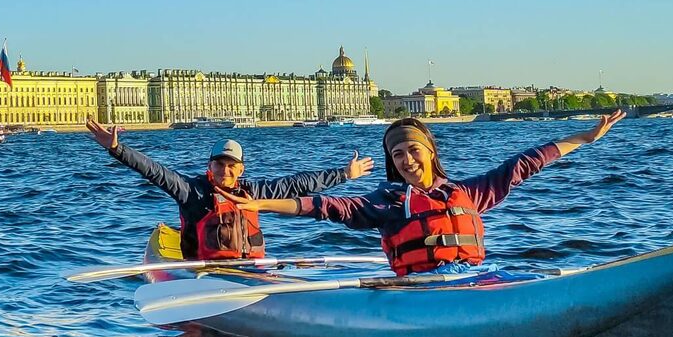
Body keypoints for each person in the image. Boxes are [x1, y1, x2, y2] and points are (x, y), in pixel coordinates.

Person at [238, 111, 625, 276]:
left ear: (430, 151)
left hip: (472, 278)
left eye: (413, 150)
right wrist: (261, 203)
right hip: (423, 289)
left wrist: (585, 137)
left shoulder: (467, 193)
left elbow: (525, 163)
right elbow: (328, 206)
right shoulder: (389, 201)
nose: (407, 159)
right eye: (398, 154)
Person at [85, 116, 375, 260]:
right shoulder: (192, 192)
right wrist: (117, 149)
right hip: (203, 273)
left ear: (240, 169)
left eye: (231, 165)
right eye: (219, 164)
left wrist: (344, 174)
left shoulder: (253, 193)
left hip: (248, 272)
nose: (225, 170)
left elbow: (298, 184)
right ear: (210, 167)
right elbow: (154, 172)